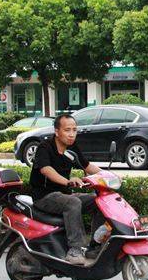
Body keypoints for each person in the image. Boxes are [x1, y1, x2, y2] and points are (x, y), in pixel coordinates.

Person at [30, 114, 105, 266]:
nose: (72, 134)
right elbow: (46, 170)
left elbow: (87, 166)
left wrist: (109, 176)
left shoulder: (71, 147)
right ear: (57, 131)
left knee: (99, 201)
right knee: (73, 203)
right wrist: (68, 181)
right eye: (67, 130)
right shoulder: (45, 147)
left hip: (63, 195)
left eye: (74, 130)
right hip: (44, 196)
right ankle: (74, 251)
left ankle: (95, 246)